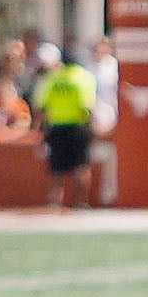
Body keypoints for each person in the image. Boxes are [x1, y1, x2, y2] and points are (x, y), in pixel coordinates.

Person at [31, 41, 97, 207]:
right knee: (81, 166)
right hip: (78, 127)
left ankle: (55, 202)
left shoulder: (53, 78)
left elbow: (41, 106)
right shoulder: (84, 78)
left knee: (56, 169)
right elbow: (88, 107)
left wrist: (36, 129)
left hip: (57, 127)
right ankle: (81, 202)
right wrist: (92, 128)